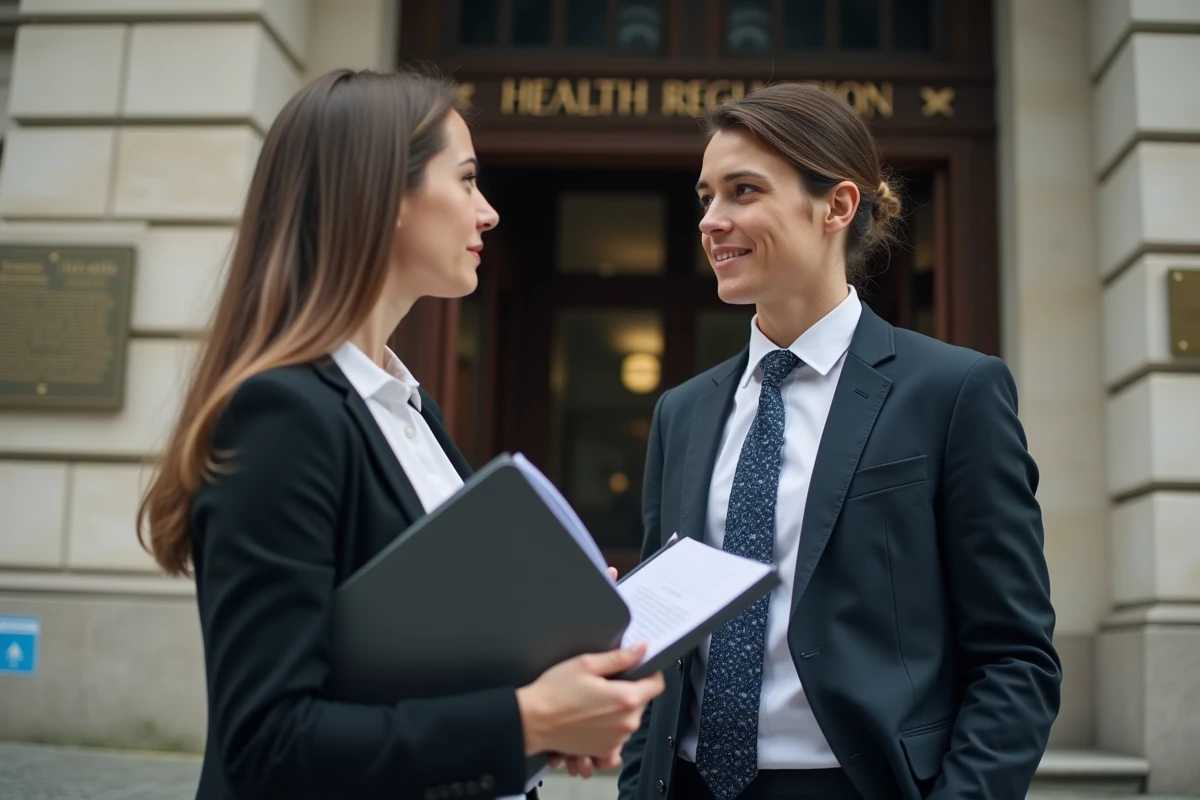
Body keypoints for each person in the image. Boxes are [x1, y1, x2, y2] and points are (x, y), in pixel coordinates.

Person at [136, 68, 663, 800]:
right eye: (469, 180)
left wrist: (550, 688)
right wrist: (524, 720)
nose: (489, 214)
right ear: (382, 195)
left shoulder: (405, 406)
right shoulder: (280, 416)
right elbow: (268, 741)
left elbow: (402, 678)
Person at [616, 82, 1061, 800]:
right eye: (706, 196)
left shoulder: (954, 393)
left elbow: (1014, 657)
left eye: (743, 191)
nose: (711, 220)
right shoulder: (683, 413)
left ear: (838, 205)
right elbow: (662, 650)